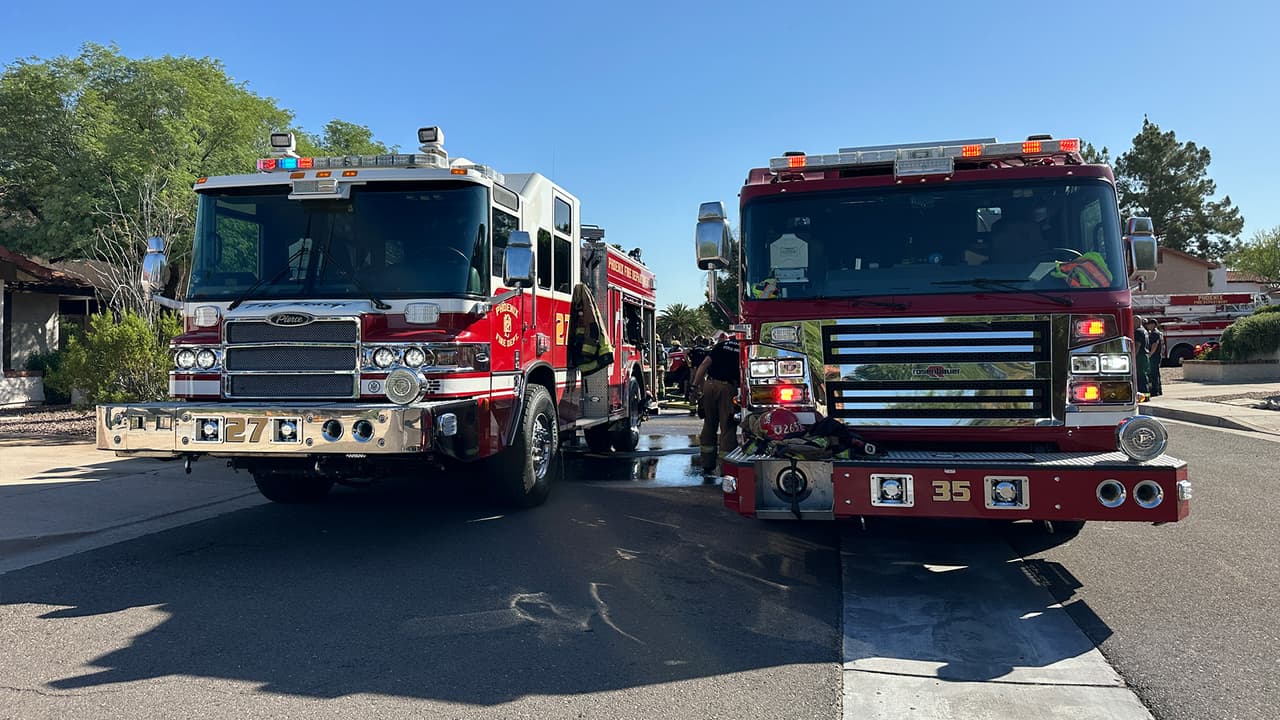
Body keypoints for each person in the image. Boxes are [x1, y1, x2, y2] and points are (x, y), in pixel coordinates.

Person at [692, 331, 741, 475]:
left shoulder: (720, 346)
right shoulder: (742, 349)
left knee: (709, 423)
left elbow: (704, 365)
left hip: (710, 385)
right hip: (727, 387)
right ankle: (727, 467)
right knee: (728, 426)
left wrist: (694, 386)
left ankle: (707, 464)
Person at [1144, 318, 1164, 397]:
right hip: (1157, 355)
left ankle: (1155, 391)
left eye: (1149, 324)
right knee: (1156, 373)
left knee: (1153, 373)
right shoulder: (1158, 333)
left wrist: (1150, 354)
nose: (1147, 326)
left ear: (1153, 325)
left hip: (1154, 356)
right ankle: (1159, 390)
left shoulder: (1154, 334)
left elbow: (1154, 345)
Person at [1134, 317, 1150, 397]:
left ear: (1137, 321)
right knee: (1144, 375)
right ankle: (1146, 394)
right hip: (1145, 356)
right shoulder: (1144, 331)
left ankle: (1143, 394)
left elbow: (1138, 345)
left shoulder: (1138, 331)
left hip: (1140, 356)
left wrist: (1133, 356)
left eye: (1133, 321)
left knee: (1140, 376)